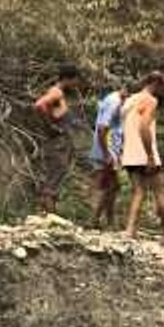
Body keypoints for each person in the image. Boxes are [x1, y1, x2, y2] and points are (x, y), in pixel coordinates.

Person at [121, 71, 164, 245]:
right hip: (143, 153)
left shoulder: (129, 101)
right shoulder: (150, 100)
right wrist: (150, 155)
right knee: (160, 191)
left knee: (138, 192)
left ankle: (130, 231)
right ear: (156, 84)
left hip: (129, 153)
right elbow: (144, 127)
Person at [33, 64, 81, 214]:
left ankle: (44, 212)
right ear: (68, 79)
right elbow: (39, 105)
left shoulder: (57, 92)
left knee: (55, 173)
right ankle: (49, 212)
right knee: (56, 172)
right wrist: (51, 126)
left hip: (58, 141)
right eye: (75, 80)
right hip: (58, 142)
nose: (76, 84)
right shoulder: (57, 92)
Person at [88, 84, 128, 229]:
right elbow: (102, 128)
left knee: (112, 185)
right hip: (107, 149)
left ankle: (108, 220)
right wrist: (107, 153)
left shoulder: (115, 99)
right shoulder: (114, 101)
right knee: (105, 184)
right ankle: (94, 220)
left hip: (110, 148)